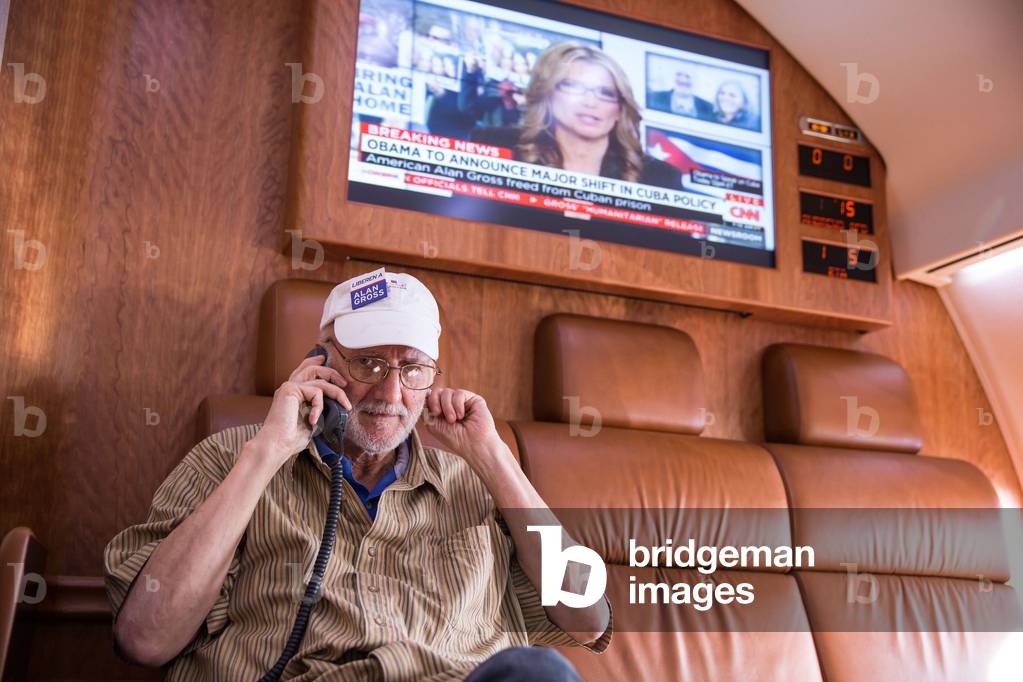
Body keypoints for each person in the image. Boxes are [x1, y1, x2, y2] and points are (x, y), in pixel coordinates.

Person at [103, 270, 611, 681]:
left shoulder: (475, 483)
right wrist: (267, 453)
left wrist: (494, 458)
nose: (391, 396)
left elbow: (587, 620)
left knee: (539, 673)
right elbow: (146, 638)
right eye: (368, 363)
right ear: (320, 363)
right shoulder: (231, 459)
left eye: (412, 370)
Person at [471, 42, 682, 189]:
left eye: (606, 93)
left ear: (619, 109)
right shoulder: (495, 145)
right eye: (573, 87)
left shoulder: (660, 177)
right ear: (548, 93)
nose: (591, 103)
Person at [647, 68, 714, 120]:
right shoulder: (654, 97)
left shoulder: (708, 107)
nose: (683, 80)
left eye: (688, 76)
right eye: (679, 74)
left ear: (695, 80)